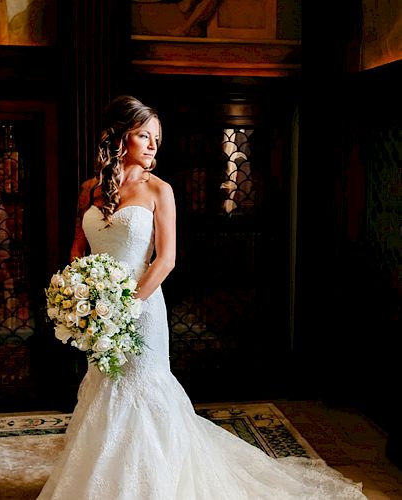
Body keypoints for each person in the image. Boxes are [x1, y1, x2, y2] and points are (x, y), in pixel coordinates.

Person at [37, 95, 367, 499]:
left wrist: (128, 307)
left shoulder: (160, 190)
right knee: (104, 389)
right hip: (99, 310)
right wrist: (78, 292)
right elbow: (77, 246)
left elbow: (167, 259)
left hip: (140, 308)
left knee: (144, 390)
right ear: (121, 138)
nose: (154, 144)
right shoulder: (90, 189)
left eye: (158, 137)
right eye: (145, 135)